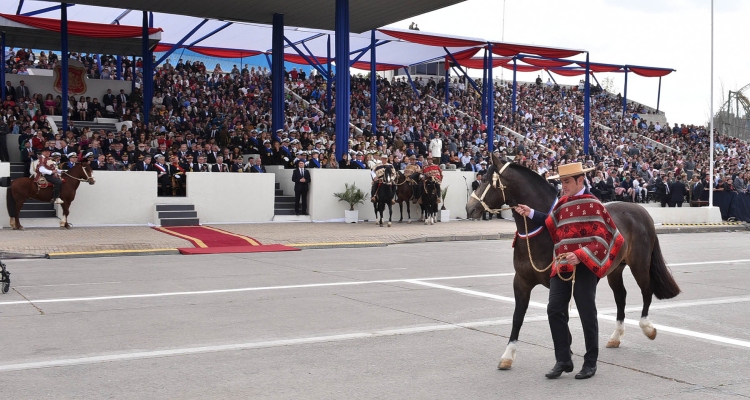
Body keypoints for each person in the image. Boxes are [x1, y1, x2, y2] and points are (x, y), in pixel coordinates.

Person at [514, 162, 624, 380]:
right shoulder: (562, 204)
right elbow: (550, 223)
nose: (562, 186)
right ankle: (563, 359)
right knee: (554, 310)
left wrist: (581, 254)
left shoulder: (593, 204)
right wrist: (531, 213)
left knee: (586, 313)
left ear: (580, 180)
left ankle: (590, 362)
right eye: (561, 181)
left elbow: (606, 238)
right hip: (562, 264)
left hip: (584, 267)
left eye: (566, 181)